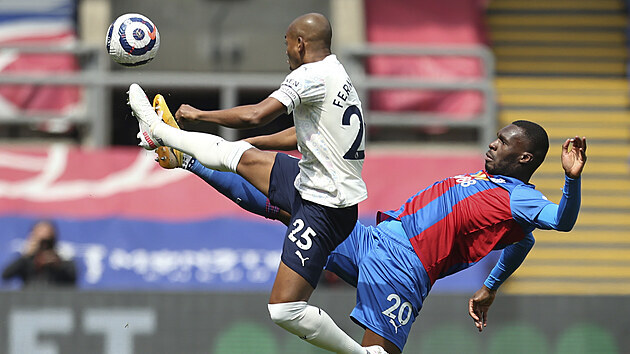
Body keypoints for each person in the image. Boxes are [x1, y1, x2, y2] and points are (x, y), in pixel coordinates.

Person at [151, 96, 587, 354]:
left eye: (504, 142)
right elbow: (522, 240)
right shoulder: (501, 192)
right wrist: (490, 285)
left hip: (404, 271)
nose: (492, 144)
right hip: (374, 238)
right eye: (496, 137)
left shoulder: (523, 197)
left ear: (525, 158)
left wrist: (570, 180)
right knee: (289, 206)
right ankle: (186, 159)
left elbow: (560, 222)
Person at [129, 12, 378, 354]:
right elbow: (307, 134)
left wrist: (201, 115)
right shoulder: (337, 72)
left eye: (287, 43)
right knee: (241, 160)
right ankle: (177, 150)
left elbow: (255, 115)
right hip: (319, 184)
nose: (286, 51)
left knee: (284, 309)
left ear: (301, 44)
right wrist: (258, 144)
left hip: (325, 209)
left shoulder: (309, 75)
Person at [2, 220, 77, 289]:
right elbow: (6, 275)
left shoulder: (62, 257)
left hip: (57, 298)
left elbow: (73, 278)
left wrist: (58, 265)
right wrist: (27, 256)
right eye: (40, 232)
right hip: (29, 298)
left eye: (47, 233)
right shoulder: (27, 259)